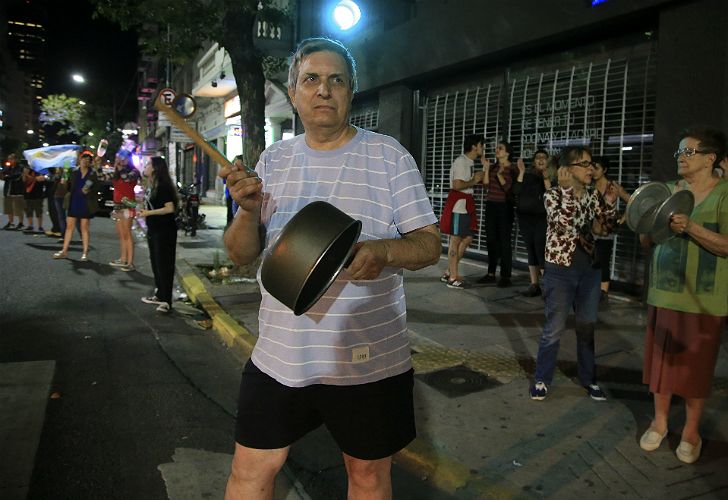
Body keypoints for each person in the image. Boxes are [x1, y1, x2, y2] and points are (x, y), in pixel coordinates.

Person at [221, 37, 440, 500]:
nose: (324, 89)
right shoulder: (274, 160)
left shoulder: (388, 157)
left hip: (367, 362)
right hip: (280, 356)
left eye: (336, 79)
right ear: (294, 92)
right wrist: (245, 211)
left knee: (366, 476)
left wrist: (382, 251)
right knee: (250, 471)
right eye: (312, 79)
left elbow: (428, 245)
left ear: (351, 91)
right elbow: (240, 255)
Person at [638, 127, 728, 464]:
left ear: (710, 159)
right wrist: (644, 224)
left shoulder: (724, 194)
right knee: (661, 366)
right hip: (664, 293)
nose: (681, 158)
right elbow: (649, 241)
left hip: (703, 299)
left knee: (696, 369)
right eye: (679, 152)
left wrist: (689, 226)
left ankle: (691, 431)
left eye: (688, 152)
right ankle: (659, 423)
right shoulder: (670, 191)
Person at [529, 146, 617, 402]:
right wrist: (568, 193)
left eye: (592, 164)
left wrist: (610, 207)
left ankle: (589, 379)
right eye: (585, 164)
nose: (591, 169)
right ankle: (542, 379)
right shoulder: (552, 195)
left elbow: (605, 229)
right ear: (568, 170)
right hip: (560, 271)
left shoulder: (592, 196)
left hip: (589, 271)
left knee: (587, 327)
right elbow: (563, 225)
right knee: (554, 328)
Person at [438, 134, 485, 289]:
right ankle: (453, 277)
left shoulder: (470, 162)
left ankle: (448, 272)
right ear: (474, 146)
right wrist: (475, 180)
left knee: (468, 238)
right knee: (456, 239)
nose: (483, 148)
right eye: (481, 145)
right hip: (459, 205)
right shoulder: (461, 161)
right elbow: (457, 185)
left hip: (466, 205)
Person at [139, 156, 178, 313]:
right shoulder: (152, 185)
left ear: (155, 168)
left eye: (148, 164)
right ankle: (159, 294)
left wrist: (149, 212)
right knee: (156, 263)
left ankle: (166, 301)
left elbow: (169, 208)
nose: (146, 166)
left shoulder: (163, 186)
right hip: (154, 229)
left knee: (164, 265)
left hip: (165, 231)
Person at [512, 149, 553, 297]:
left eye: (543, 157)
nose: (541, 160)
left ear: (547, 161)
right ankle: (534, 284)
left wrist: (545, 176)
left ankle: (549, 287)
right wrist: (521, 171)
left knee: (540, 249)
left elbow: (551, 194)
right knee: (531, 250)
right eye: (538, 158)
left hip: (541, 218)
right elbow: (516, 190)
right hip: (524, 219)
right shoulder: (527, 175)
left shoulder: (549, 177)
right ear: (534, 161)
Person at [590, 155, 630, 303]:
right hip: (590, 229)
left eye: (597, 168)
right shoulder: (589, 185)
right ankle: (591, 289)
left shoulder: (612, 186)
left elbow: (631, 201)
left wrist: (621, 220)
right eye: (591, 168)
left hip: (606, 230)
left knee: (603, 260)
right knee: (591, 260)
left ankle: (603, 292)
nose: (593, 171)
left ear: (604, 170)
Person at [478, 140, 516, 287]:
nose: (497, 150)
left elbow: (511, 190)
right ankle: (491, 273)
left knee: (505, 242)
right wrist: (487, 169)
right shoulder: (494, 166)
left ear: (507, 152)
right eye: (496, 148)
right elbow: (486, 185)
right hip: (491, 205)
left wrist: (500, 176)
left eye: (500, 148)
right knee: (491, 240)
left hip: (505, 207)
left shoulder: (512, 169)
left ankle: (506, 276)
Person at [53, 150, 99, 261]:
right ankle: (64, 251)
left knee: (84, 228)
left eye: (88, 160)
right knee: (69, 227)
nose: (85, 161)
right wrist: (63, 182)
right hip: (73, 201)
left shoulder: (92, 173)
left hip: (86, 203)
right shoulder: (72, 171)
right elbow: (66, 185)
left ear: (90, 162)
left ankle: (84, 254)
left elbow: (96, 188)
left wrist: (89, 191)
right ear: (79, 159)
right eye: (83, 158)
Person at [105, 150, 141, 272]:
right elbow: (103, 178)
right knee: (121, 234)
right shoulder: (117, 172)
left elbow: (126, 179)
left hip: (127, 204)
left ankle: (130, 263)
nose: (120, 160)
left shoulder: (134, 172)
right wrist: (97, 165)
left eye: (123, 158)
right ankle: (123, 258)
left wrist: (119, 168)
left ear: (128, 159)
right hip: (118, 205)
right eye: (119, 158)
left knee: (127, 233)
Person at [2, 153, 26, 230]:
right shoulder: (8, 167)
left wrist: (7, 177)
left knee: (18, 207)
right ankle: (10, 222)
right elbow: (3, 174)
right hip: (8, 189)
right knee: (8, 207)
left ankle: (21, 222)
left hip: (17, 190)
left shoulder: (20, 167)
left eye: (12, 159)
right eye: (9, 159)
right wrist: (6, 175)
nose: (10, 160)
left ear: (16, 159)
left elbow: (17, 175)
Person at [22, 165, 45, 233]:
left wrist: (27, 175)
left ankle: (40, 226)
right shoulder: (27, 171)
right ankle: (30, 225)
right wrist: (25, 174)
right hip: (28, 194)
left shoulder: (40, 170)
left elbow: (40, 178)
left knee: (39, 211)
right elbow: (23, 180)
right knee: (28, 211)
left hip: (38, 195)